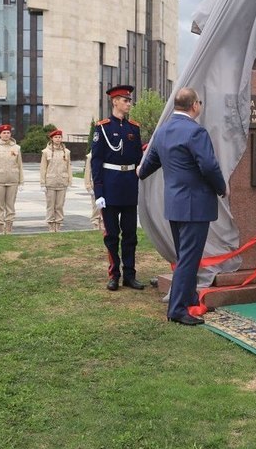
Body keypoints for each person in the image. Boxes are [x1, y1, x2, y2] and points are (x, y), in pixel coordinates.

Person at [138, 88, 227, 325]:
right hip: (195, 204)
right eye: (200, 102)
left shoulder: (164, 130)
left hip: (175, 204)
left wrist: (141, 171)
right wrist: (221, 187)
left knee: (185, 255)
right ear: (194, 105)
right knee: (189, 257)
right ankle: (177, 310)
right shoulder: (195, 132)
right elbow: (208, 166)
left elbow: (151, 162)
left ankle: (189, 299)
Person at [91, 85, 144, 292]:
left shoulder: (134, 128)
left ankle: (130, 275)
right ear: (114, 102)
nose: (129, 103)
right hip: (110, 187)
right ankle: (114, 274)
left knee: (130, 234)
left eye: (129, 100)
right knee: (112, 235)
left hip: (129, 186)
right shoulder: (102, 128)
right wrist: (99, 193)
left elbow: (138, 159)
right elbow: (96, 162)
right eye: (125, 100)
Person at [0, 124, 24, 234]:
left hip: (13, 180)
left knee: (10, 204)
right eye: (4, 133)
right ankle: (0, 225)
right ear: (0, 134)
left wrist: (21, 182)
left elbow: (20, 165)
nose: (6, 135)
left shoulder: (16, 148)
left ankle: (9, 225)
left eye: (8, 133)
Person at [40, 129, 72, 232]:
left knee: (59, 205)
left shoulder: (66, 152)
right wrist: (42, 183)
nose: (58, 139)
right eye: (56, 137)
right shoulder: (46, 152)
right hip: (50, 182)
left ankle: (58, 224)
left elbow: (69, 167)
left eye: (59, 137)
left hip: (62, 182)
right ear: (52, 139)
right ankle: (50, 225)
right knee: (51, 205)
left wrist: (69, 181)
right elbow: (43, 168)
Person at [83, 152, 103, 230]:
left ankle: (102, 223)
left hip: (106, 183)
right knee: (96, 206)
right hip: (95, 183)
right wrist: (88, 186)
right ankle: (95, 223)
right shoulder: (91, 156)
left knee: (105, 206)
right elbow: (88, 171)